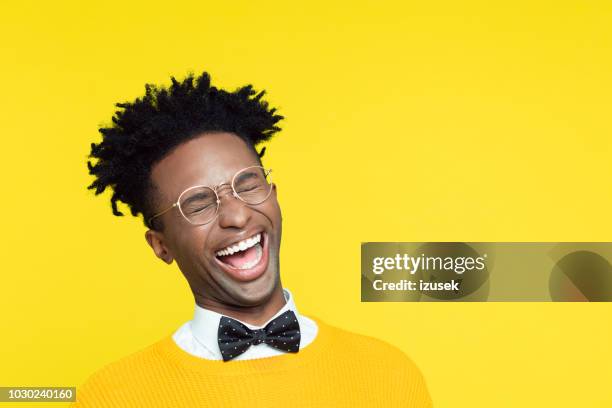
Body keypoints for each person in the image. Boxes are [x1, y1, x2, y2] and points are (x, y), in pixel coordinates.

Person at [74, 71, 433, 407]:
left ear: (273, 195)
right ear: (160, 245)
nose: (238, 215)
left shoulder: (390, 375)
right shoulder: (112, 396)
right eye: (199, 204)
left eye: (248, 185)